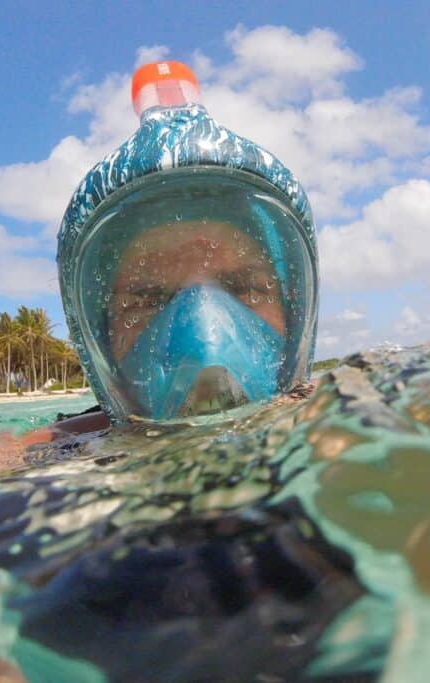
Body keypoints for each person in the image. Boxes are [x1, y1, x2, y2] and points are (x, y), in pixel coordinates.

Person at [48, 59, 318, 436]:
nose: (205, 340)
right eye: (146, 300)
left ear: (295, 314)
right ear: (100, 343)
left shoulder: (352, 410)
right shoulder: (55, 450)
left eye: (246, 287)